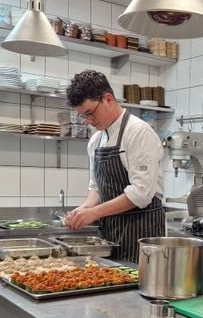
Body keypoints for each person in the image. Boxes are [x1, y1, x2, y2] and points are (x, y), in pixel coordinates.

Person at [64, 70, 165, 263]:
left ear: (108, 99)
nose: (89, 121)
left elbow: (140, 193)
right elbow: (96, 188)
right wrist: (82, 210)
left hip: (143, 233)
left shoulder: (138, 132)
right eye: (83, 117)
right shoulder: (95, 140)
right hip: (111, 234)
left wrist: (94, 212)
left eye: (90, 113)